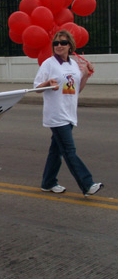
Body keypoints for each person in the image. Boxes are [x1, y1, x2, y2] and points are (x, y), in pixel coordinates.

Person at [34, 30, 103, 197]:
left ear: (70, 45)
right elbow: (37, 87)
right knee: (69, 151)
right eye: (56, 43)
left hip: (70, 113)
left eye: (63, 43)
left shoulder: (72, 65)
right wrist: (48, 83)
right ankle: (87, 185)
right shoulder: (48, 64)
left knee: (56, 151)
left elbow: (75, 90)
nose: (59, 46)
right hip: (57, 115)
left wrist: (85, 75)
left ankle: (48, 182)